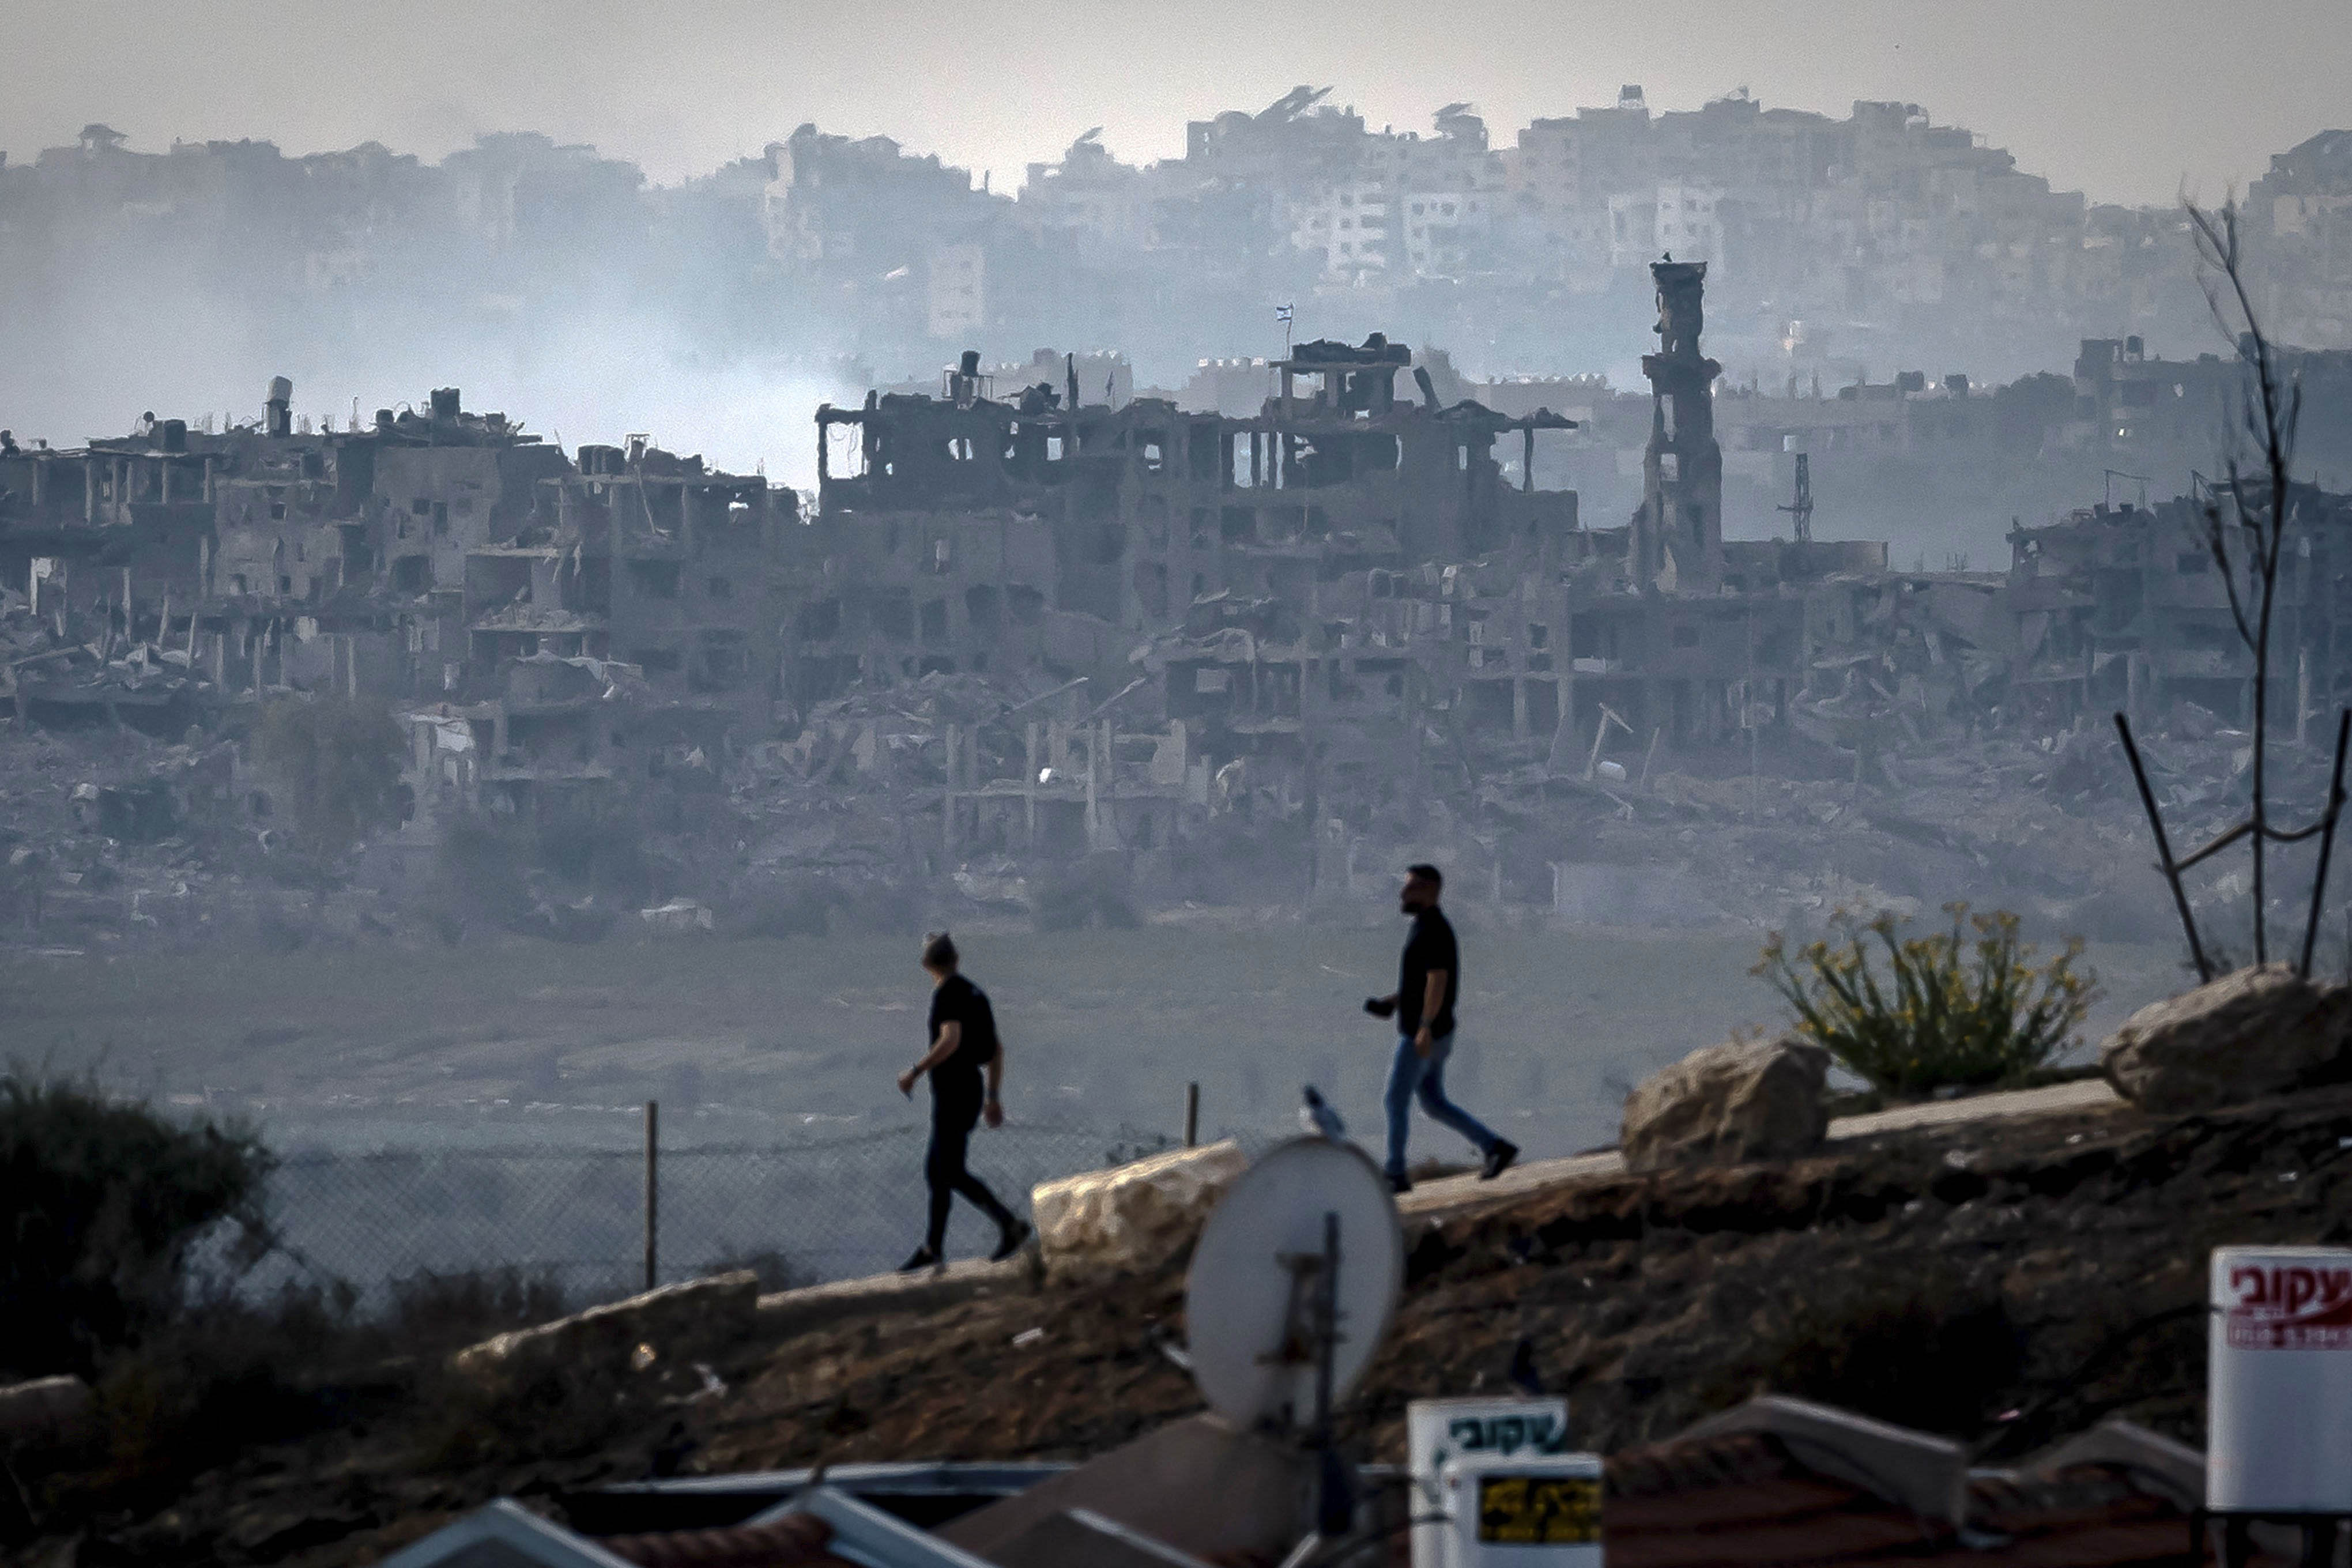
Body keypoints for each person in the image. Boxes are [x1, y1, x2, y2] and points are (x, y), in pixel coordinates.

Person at [1363, 865, 1517, 1194]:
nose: (1403, 894)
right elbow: (1421, 983)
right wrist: (1394, 1002)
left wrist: (1424, 1028)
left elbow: (1438, 981)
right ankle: (1494, 1147)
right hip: (1434, 1031)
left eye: (1411, 888)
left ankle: (1395, 1174)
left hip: (1424, 1034)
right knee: (1433, 1103)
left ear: (1430, 891)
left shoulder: (1433, 929)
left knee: (1395, 1100)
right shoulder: (1424, 927)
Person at [896, 931, 1030, 1270]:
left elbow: (951, 1039)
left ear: (927, 965)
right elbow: (996, 1050)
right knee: (937, 1171)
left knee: (951, 1172)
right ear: (956, 959)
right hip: (971, 1088)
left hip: (953, 1093)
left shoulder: (947, 996)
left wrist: (916, 1070)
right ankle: (932, 1248)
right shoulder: (976, 995)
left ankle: (1009, 1225)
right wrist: (993, 1096)